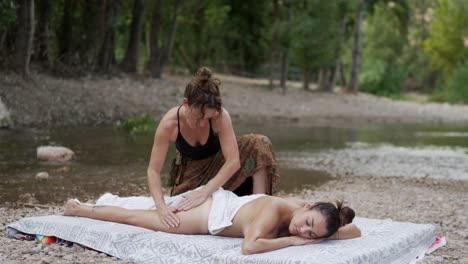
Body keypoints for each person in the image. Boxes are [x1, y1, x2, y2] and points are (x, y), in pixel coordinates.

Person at [147, 66, 279, 229]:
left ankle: (260, 207)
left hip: (222, 172)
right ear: (186, 103)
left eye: (208, 118)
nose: (203, 123)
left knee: (260, 142)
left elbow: (233, 161)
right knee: (184, 215)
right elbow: (153, 170)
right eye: (198, 117)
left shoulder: (220, 117)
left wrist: (206, 192)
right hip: (192, 178)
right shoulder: (170, 125)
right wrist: (161, 206)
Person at [64, 188, 361, 255]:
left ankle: (101, 203)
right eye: (307, 222)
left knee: (144, 209)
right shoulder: (274, 210)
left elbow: (355, 229)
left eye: (311, 233)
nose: (303, 230)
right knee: (139, 219)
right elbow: (249, 247)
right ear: (307, 206)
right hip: (207, 216)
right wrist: (294, 240)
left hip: (224, 203)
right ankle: (81, 210)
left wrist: (325, 235)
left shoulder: (304, 212)